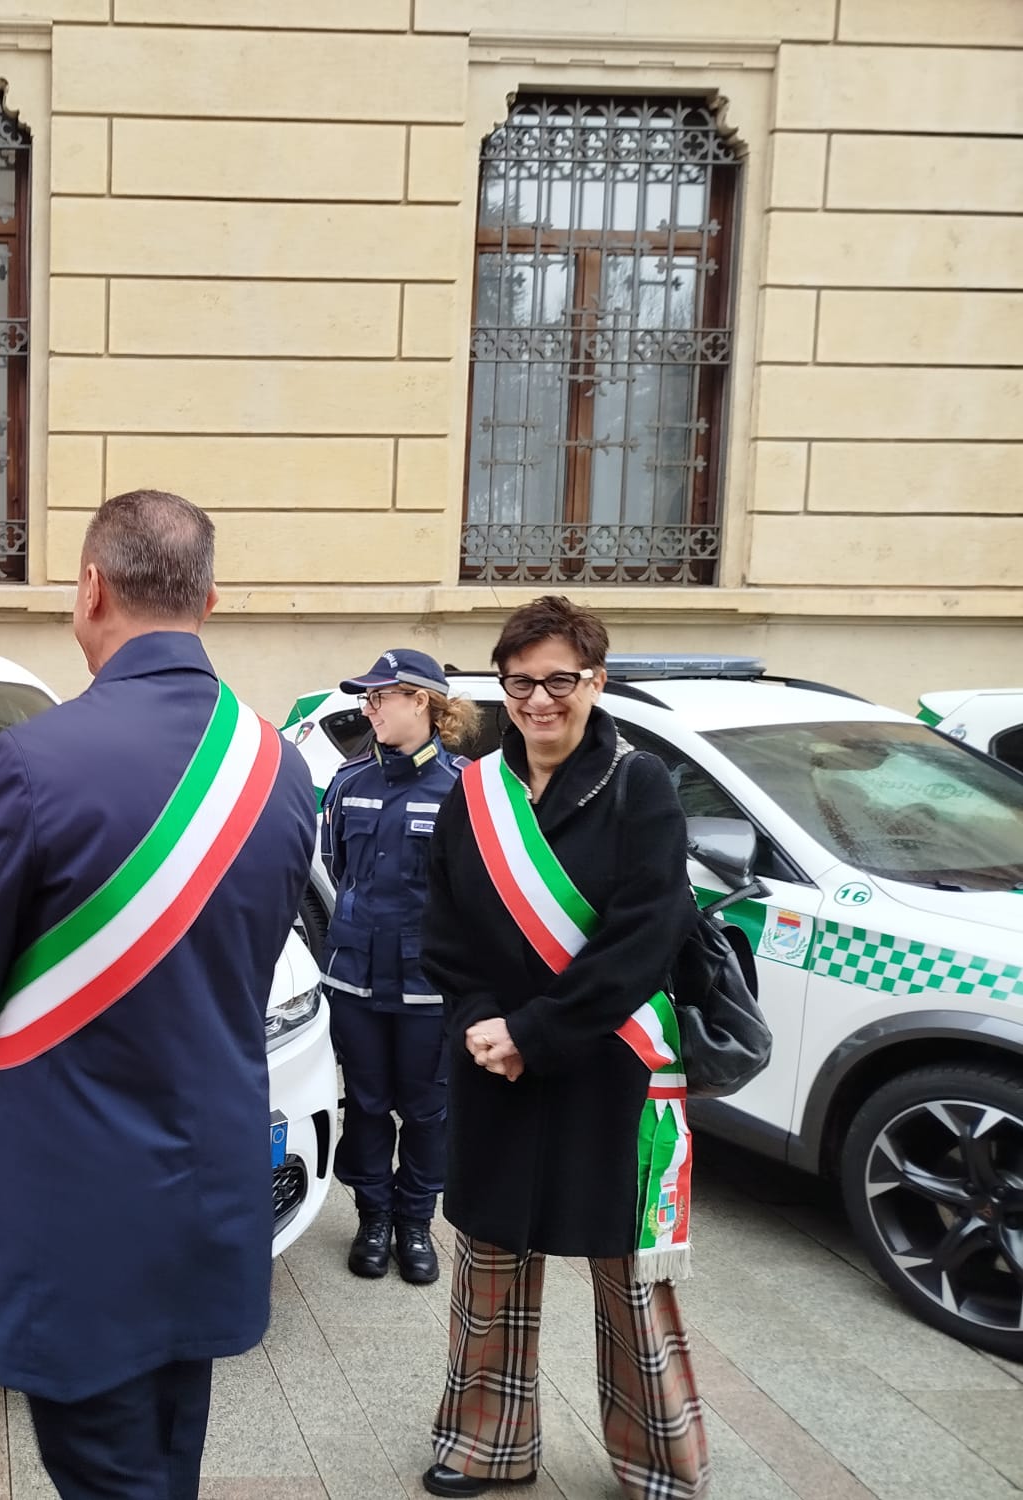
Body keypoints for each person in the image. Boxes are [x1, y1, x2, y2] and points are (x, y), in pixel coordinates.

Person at [0, 491, 316, 1500]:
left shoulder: (32, 758)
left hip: (74, 1197)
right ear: (209, 600)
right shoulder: (276, 766)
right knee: (165, 1451)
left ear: (90, 589)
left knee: (101, 1471)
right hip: (211, 1181)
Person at [419, 595, 707, 1500]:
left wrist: (535, 1033)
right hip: (494, 1061)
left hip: (608, 1061)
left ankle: (660, 1457)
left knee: (628, 1276)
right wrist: (478, 1021)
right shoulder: (474, 792)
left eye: (559, 681)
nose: (539, 701)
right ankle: (487, 1442)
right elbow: (448, 928)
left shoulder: (641, 784)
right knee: (492, 1259)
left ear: (596, 680)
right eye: (520, 683)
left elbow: (643, 938)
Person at [321, 649, 474, 1285]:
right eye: (367, 698)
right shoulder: (347, 784)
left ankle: (415, 1222)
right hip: (355, 976)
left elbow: (474, 893)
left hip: (426, 986)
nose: (369, 708)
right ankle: (373, 1218)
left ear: (421, 701)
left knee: (425, 1108)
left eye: (380, 697)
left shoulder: (466, 789)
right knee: (364, 1102)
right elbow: (336, 869)